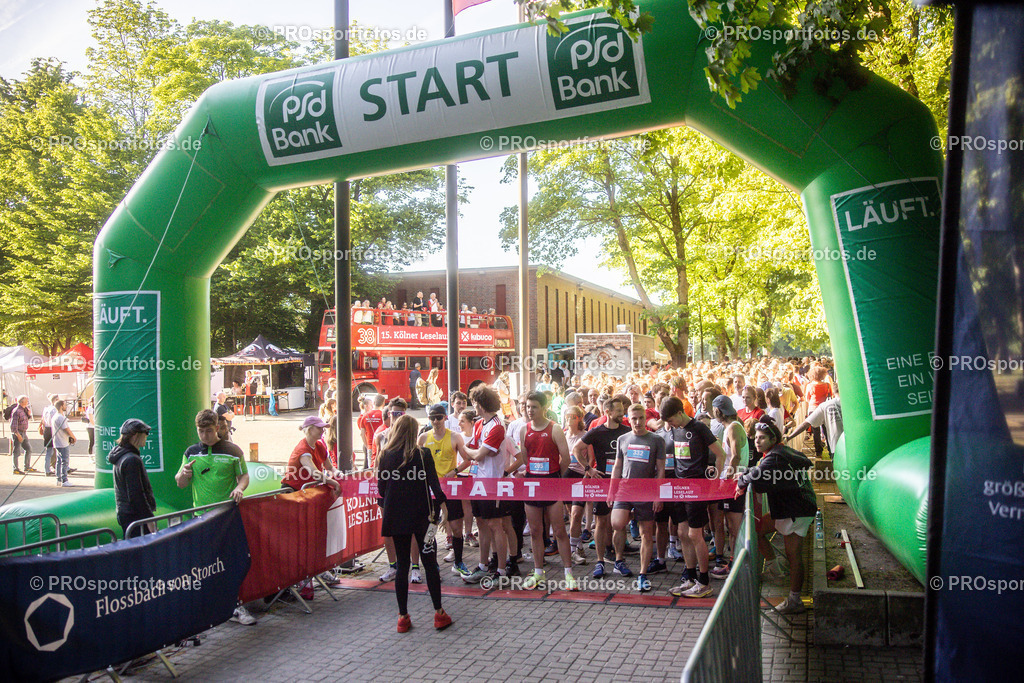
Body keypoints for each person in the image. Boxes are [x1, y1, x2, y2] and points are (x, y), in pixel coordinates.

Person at [735, 416, 818, 615]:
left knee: (794, 556)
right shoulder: (778, 452)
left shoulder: (775, 457)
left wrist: (741, 482)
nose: (757, 441)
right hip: (789, 506)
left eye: (762, 438)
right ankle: (774, 568)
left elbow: (757, 474)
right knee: (758, 529)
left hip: (796, 510)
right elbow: (758, 471)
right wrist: (746, 475)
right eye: (756, 437)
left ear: (773, 440)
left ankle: (795, 599)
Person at [378, 414, 453, 632]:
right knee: (429, 562)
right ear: (414, 433)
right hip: (425, 519)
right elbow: (435, 487)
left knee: (402, 565)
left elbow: (382, 490)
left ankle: (402, 617)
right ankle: (439, 613)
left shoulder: (385, 455)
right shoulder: (423, 454)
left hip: (397, 517)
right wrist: (444, 510)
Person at [506, 391, 577, 591]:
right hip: (532, 485)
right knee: (536, 531)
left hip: (552, 483)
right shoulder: (524, 430)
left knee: (560, 531)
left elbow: (566, 459)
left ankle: (568, 574)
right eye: (527, 406)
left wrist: (555, 479)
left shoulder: (555, 429)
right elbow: (526, 459)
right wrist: (532, 474)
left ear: (544, 408)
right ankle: (538, 573)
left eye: (534, 407)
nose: (529, 410)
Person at [660, 396, 725, 599]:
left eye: (671, 420)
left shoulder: (699, 428)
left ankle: (704, 581)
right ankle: (689, 576)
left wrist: (714, 481)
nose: (669, 425)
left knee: (696, 535)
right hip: (680, 486)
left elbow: (720, 454)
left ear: (680, 413)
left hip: (697, 487)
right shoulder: (674, 429)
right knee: (682, 532)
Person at [607, 403, 666, 592]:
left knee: (646, 534)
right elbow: (617, 466)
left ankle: (642, 574)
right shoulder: (623, 438)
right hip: (624, 489)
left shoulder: (656, 440)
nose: (638, 422)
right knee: (617, 523)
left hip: (646, 491)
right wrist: (611, 490)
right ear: (629, 419)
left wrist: (658, 496)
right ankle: (618, 560)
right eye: (634, 418)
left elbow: (661, 470)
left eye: (641, 418)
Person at [573, 395, 631, 579]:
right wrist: (589, 469)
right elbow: (576, 449)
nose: (622, 415)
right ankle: (600, 561)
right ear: (608, 412)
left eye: (623, 411)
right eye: (619, 412)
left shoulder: (627, 431)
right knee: (601, 522)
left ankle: (619, 561)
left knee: (619, 524)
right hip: (602, 482)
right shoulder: (597, 431)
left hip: (621, 483)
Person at [460, 385, 510, 585]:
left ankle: (501, 570)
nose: (474, 406)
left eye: (474, 402)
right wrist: (477, 451)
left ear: (480, 404)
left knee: (495, 524)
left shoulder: (497, 426)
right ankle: (483, 565)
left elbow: (476, 453)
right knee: (480, 522)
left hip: (492, 482)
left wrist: (476, 451)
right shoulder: (481, 423)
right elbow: (472, 450)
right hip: (477, 480)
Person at [418, 404, 472, 578]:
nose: (436, 421)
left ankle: (458, 563)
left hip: (451, 488)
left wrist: (454, 472)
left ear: (445, 418)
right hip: (430, 490)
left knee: (457, 528)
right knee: (431, 529)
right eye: (432, 418)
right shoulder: (423, 438)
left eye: (439, 417)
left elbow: (467, 461)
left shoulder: (455, 437)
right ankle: (433, 566)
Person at [109, 419, 157, 539]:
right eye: (145, 433)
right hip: (135, 516)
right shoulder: (132, 460)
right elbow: (136, 494)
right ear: (136, 435)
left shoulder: (120, 456)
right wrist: (149, 519)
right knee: (141, 552)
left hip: (125, 513)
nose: (147, 436)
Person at [281, 415, 342, 494]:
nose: (322, 430)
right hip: (293, 491)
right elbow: (315, 473)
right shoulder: (303, 449)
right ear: (309, 430)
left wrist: (338, 474)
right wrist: (334, 483)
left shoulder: (319, 445)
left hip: (305, 490)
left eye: (322, 428)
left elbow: (329, 467)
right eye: (319, 428)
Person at [50, 400, 77, 487]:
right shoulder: (61, 418)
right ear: (61, 406)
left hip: (57, 442)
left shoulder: (56, 416)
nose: (66, 406)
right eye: (65, 405)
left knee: (59, 461)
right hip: (62, 442)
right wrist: (73, 437)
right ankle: (64, 480)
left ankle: (59, 479)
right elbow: (66, 429)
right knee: (64, 461)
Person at [9, 395, 33, 475]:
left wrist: (29, 415)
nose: (27, 402)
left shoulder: (24, 410)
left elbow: (24, 420)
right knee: (17, 451)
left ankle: (27, 466)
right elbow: (13, 425)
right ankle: (15, 468)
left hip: (24, 432)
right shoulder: (16, 411)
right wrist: (18, 435)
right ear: (22, 402)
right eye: (26, 401)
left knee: (28, 449)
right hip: (18, 433)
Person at [39, 394, 58, 476]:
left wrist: (43, 429)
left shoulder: (46, 409)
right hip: (52, 429)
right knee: (52, 450)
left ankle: (51, 467)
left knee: (50, 450)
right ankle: (48, 469)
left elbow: (42, 420)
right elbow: (55, 421)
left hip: (46, 429)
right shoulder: (54, 409)